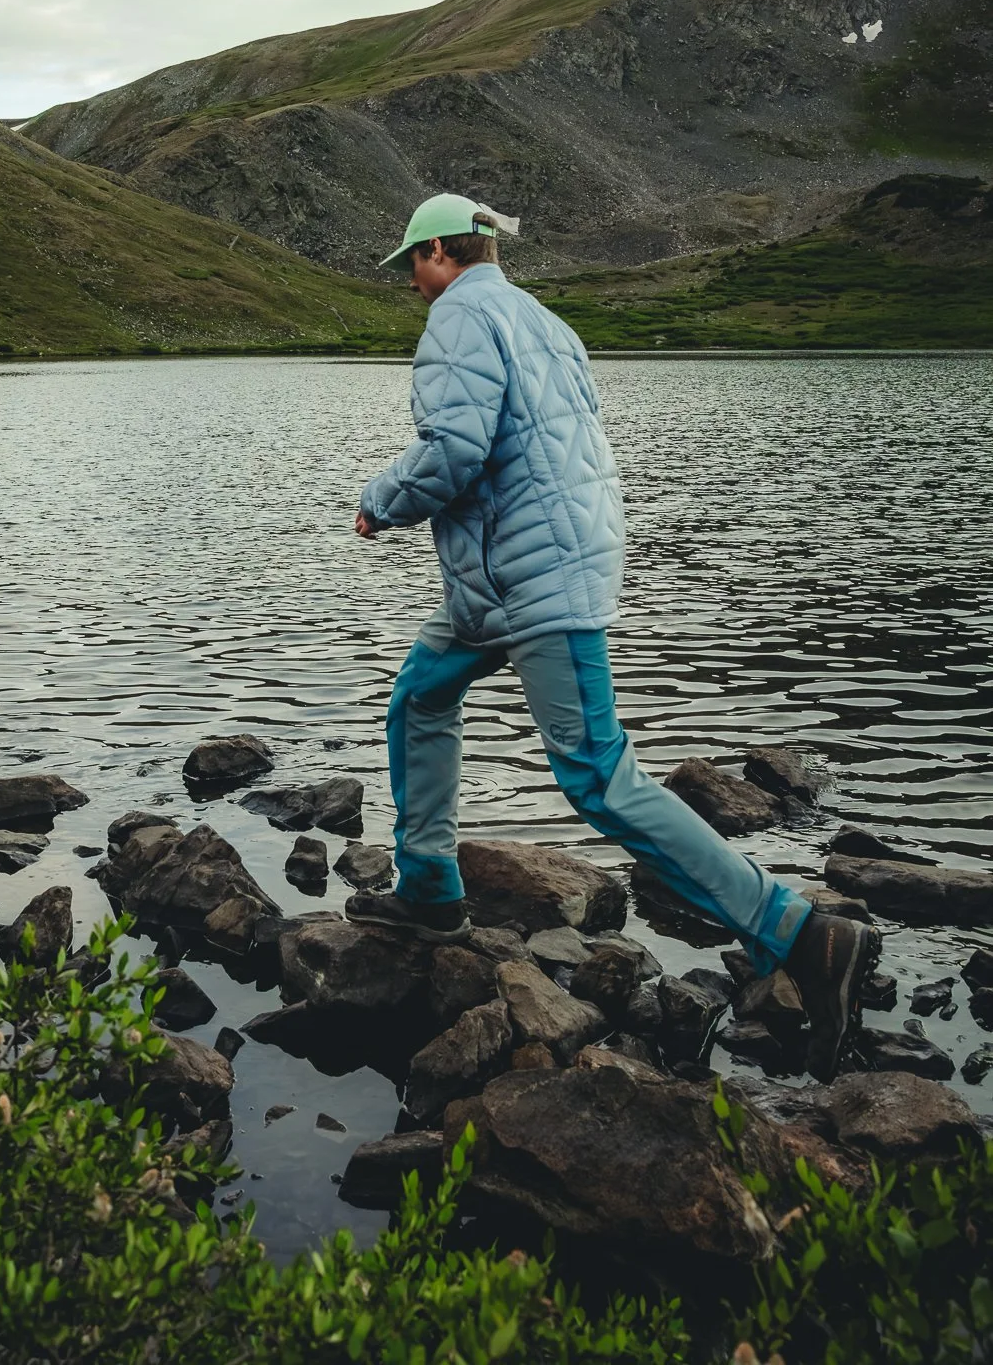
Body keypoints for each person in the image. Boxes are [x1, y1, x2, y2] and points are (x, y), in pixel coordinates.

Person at [347, 192, 878, 1081]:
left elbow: (454, 451)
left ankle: (803, 933)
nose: (412, 282)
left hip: (536, 577)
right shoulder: (544, 321)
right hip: (512, 574)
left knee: (597, 772)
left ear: (443, 251)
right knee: (420, 696)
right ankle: (431, 890)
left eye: (414, 263)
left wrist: (379, 501)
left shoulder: (460, 319)